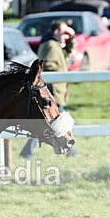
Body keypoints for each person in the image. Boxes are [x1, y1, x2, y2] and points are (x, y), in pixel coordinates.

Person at [20, 19, 75, 159]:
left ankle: (27, 151)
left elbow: (67, 53)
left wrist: (71, 38)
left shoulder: (55, 44)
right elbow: (48, 65)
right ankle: (70, 150)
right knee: (54, 124)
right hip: (53, 92)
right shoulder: (51, 45)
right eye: (64, 32)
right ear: (56, 32)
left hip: (57, 90)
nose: (66, 36)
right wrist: (61, 71)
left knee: (52, 125)